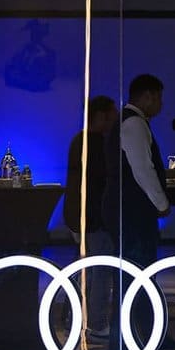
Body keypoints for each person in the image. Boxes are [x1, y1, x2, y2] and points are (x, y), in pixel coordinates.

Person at [101, 74, 172, 350]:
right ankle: (136, 338)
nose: (161, 104)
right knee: (137, 273)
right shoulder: (134, 123)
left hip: (124, 209)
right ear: (148, 96)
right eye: (159, 97)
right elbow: (143, 169)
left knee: (133, 274)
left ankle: (135, 337)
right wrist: (161, 202)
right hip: (132, 211)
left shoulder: (128, 122)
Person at [63, 95, 119, 336]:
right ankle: (96, 322)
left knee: (86, 268)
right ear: (102, 115)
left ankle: (74, 317)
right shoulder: (97, 144)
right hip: (95, 217)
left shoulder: (79, 140)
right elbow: (100, 184)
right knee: (101, 269)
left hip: (80, 215)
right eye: (113, 113)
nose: (116, 118)